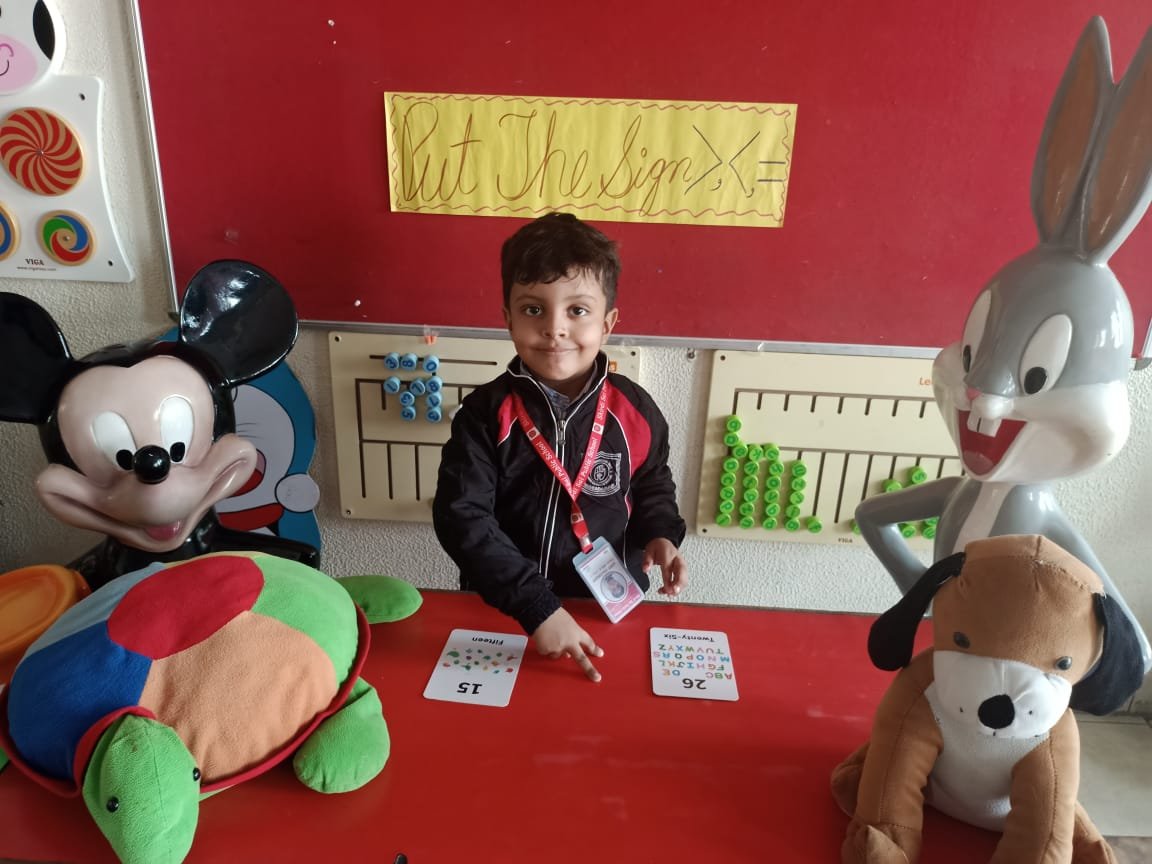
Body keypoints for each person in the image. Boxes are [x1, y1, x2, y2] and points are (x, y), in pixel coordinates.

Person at [433, 212, 687, 682]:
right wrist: (536, 608)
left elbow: (652, 481)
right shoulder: (485, 414)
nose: (554, 329)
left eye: (577, 310)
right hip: (508, 610)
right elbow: (462, 517)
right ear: (508, 319)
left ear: (607, 324)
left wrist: (661, 533)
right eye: (533, 310)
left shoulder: (635, 409)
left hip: (603, 608)